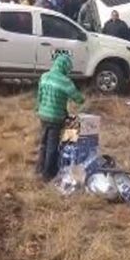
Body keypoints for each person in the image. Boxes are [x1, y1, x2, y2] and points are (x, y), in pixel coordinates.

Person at [36, 53, 84, 181]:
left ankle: (39, 168)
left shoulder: (44, 76)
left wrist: (38, 109)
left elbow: (39, 95)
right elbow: (78, 98)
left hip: (43, 114)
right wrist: (82, 98)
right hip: (55, 117)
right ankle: (47, 174)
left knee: (43, 142)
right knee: (52, 145)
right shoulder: (65, 81)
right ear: (65, 67)